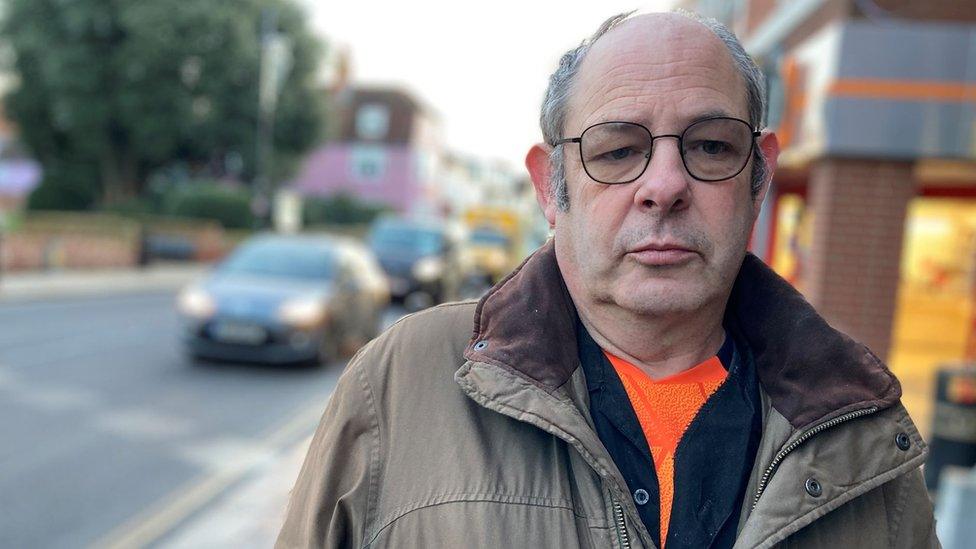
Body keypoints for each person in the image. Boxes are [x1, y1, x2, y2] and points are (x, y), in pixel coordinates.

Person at [277, 11, 938, 549]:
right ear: (548, 185)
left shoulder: (862, 430)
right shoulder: (398, 385)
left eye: (710, 145)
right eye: (619, 149)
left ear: (758, 176)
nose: (665, 185)